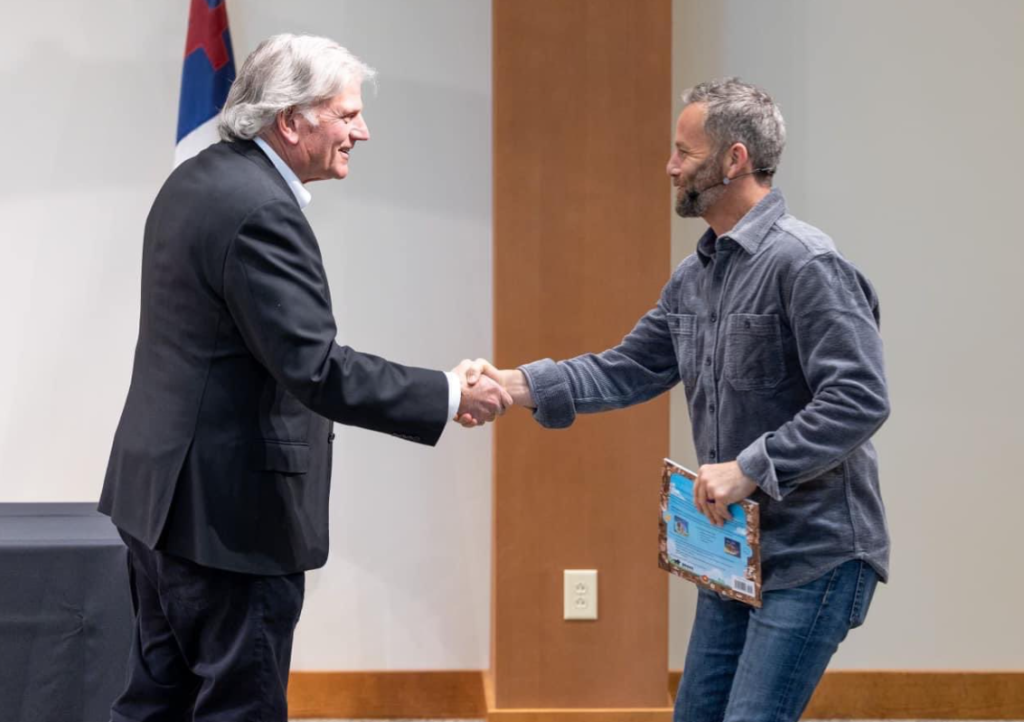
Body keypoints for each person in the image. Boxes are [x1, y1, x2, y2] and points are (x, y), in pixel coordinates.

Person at [99, 34, 509, 722]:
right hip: (226, 522)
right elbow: (316, 368)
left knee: (156, 705)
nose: (363, 131)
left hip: (159, 504)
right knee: (239, 707)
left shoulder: (196, 179)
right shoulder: (260, 209)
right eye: (347, 115)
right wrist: (447, 392)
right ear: (291, 121)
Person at [473, 77, 890, 722]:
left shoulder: (806, 264)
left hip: (816, 555)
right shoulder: (694, 278)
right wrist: (516, 384)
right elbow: (627, 368)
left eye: (683, 152)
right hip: (732, 551)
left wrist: (752, 465)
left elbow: (859, 397)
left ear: (734, 160)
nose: (670, 167)